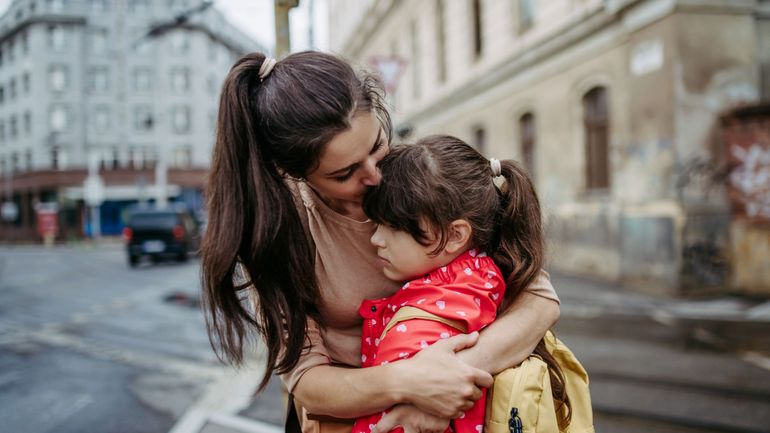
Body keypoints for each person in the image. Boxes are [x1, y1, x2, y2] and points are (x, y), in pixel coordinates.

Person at [200, 51, 561, 433]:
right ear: (293, 172)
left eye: (376, 146)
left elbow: (538, 298)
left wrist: (453, 379)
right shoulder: (276, 230)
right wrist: (409, 384)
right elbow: (308, 381)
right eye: (345, 173)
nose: (374, 176)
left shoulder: (418, 178)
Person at [352, 136, 570, 433]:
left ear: (456, 235)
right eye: (376, 224)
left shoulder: (425, 317)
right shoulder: (488, 275)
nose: (376, 239)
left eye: (392, 227)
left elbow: (395, 424)